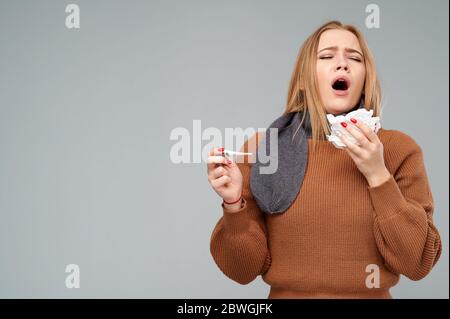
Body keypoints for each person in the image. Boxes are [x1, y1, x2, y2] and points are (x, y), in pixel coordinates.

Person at [206, 20, 442, 299]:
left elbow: (417, 262)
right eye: (327, 56)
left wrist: (378, 175)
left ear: (365, 80)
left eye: (354, 58)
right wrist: (234, 205)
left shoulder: (397, 149)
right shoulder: (263, 148)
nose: (342, 64)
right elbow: (241, 270)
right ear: (304, 80)